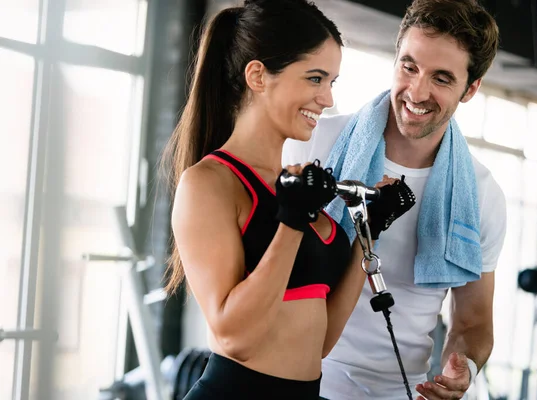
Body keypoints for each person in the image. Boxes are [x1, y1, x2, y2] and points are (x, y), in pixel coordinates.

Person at [161, 1, 416, 399]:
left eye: (332, 82)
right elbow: (234, 338)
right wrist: (292, 222)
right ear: (258, 76)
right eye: (315, 79)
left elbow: (323, 340)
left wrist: (372, 227)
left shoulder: (297, 187)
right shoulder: (210, 183)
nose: (327, 99)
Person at [282, 0, 508, 399]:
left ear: (470, 88)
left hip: (401, 390)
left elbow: (473, 322)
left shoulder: (481, 194)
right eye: (409, 67)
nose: (417, 91)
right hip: (298, 377)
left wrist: (464, 368)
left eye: (441, 78)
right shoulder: (314, 143)